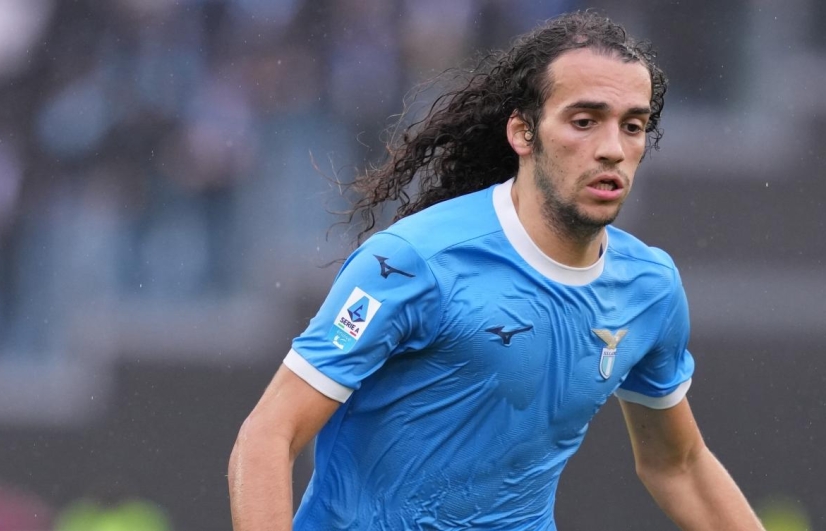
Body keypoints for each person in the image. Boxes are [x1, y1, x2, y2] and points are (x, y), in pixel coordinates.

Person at [229, 11, 765, 531]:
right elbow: (268, 436)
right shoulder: (411, 263)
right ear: (522, 133)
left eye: (632, 126)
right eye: (584, 121)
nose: (612, 149)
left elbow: (680, 466)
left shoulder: (650, 288)